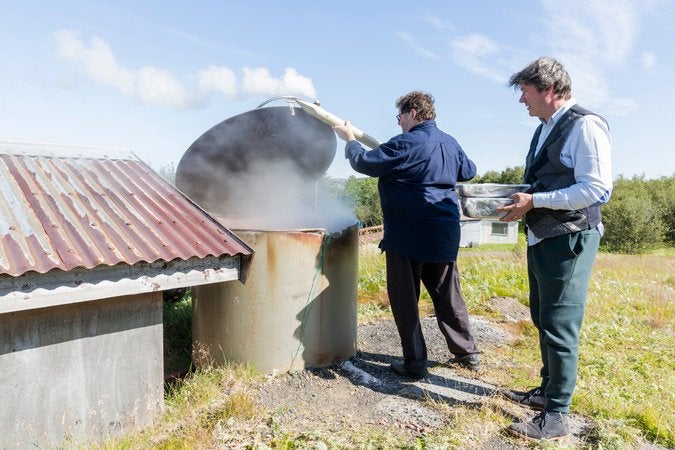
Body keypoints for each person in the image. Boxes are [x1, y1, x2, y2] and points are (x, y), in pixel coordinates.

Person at [497, 57, 613, 440]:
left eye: (524, 91)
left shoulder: (585, 125)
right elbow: (544, 182)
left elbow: (597, 189)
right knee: (544, 316)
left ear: (548, 89)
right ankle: (548, 392)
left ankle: (558, 415)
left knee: (561, 324)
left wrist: (536, 201)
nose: (521, 100)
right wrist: (521, 201)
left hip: (571, 239)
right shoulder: (545, 127)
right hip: (545, 236)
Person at [333, 91, 481, 380]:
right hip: (444, 234)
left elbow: (364, 163)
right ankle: (468, 353)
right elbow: (469, 171)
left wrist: (350, 141)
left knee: (405, 301)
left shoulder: (405, 143)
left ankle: (414, 363)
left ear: (412, 112)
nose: (399, 122)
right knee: (448, 296)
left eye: (399, 116)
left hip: (408, 235)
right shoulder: (450, 143)